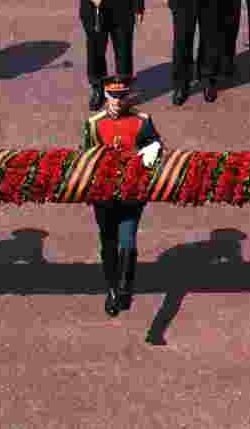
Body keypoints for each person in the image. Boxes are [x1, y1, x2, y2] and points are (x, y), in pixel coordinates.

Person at [81, 75, 163, 317]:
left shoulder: (142, 121)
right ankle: (111, 290)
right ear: (106, 96)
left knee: (127, 240)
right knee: (108, 242)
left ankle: (124, 290)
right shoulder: (94, 123)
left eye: (121, 97)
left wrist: (153, 148)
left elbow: (156, 145)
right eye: (113, 97)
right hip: (104, 196)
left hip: (131, 194)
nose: (117, 101)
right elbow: (85, 156)